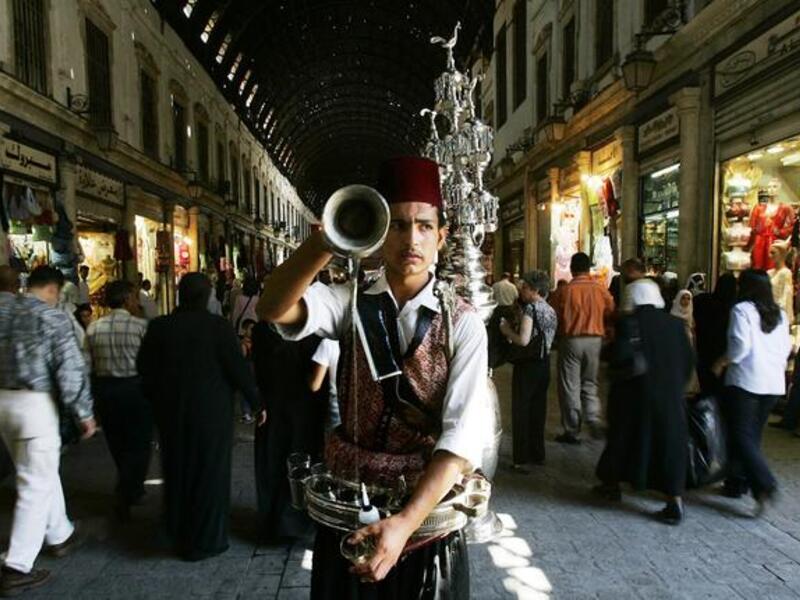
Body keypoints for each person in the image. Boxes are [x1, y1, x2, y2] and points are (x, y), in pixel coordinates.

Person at [258, 156, 488, 597]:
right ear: (381, 235)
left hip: (424, 522)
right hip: (350, 504)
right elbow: (273, 309)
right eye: (398, 225)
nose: (411, 239)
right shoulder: (349, 303)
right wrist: (328, 240)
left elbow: (460, 438)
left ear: (441, 237)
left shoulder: (463, 324)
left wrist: (404, 525)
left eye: (424, 226)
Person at [137, 273, 266, 560]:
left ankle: (177, 534)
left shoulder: (160, 327)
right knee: (210, 475)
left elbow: (144, 369)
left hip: (172, 414)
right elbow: (238, 369)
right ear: (208, 296)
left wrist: (157, 401)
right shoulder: (218, 328)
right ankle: (206, 539)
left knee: (177, 471)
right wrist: (257, 402)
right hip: (212, 416)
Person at [0, 266, 96, 596]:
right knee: (34, 484)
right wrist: (83, 412)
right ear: (54, 289)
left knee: (38, 469)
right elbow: (69, 367)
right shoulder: (50, 317)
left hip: (2, 403)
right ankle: (16, 565)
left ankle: (60, 533)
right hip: (33, 405)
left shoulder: (5, 309)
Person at [594, 278, 694, 524]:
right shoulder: (675, 324)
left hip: (633, 396)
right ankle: (674, 501)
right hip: (669, 397)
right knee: (668, 446)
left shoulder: (630, 323)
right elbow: (689, 360)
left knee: (622, 439)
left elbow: (621, 356)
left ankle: (612, 484)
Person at [715, 269, 791, 514]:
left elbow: (740, 346)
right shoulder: (779, 313)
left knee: (740, 434)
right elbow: (785, 348)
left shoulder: (742, 310)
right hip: (772, 383)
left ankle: (764, 483)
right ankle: (742, 483)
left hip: (747, 380)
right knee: (752, 435)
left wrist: (722, 362)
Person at [86, 280, 151, 520]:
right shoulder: (140, 327)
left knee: (117, 443)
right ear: (126, 300)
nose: (137, 302)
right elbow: (149, 363)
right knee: (139, 443)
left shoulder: (94, 328)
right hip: (134, 390)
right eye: (135, 298)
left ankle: (131, 488)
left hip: (105, 391)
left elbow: (86, 365)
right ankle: (126, 491)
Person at [552, 252, 615, 444]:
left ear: (572, 268)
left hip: (571, 340)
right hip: (595, 340)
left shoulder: (566, 291)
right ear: (589, 268)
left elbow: (555, 314)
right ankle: (593, 417)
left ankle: (572, 429)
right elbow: (611, 310)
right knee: (590, 382)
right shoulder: (600, 289)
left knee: (570, 385)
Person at [499, 271, 557, 471]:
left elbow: (523, 340)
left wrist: (506, 330)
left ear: (535, 290)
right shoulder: (550, 310)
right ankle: (537, 453)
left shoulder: (531, 309)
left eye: (525, 287)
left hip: (528, 365)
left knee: (521, 410)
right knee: (537, 410)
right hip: (544, 364)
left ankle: (521, 459)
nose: (521, 290)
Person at [693, 274, 737, 397]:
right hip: (723, 354)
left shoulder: (702, 301)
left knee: (706, 390)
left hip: (703, 350)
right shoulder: (734, 308)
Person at [309, 337, 342, 433]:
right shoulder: (370, 343)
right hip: (363, 417)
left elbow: (314, 385)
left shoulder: (329, 343)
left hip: (336, 418)